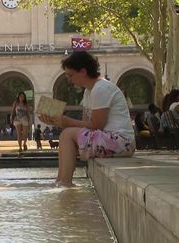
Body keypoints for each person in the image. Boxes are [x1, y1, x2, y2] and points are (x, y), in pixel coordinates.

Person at [39, 51, 135, 187]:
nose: (69, 80)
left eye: (71, 75)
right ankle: (60, 181)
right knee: (65, 134)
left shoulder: (101, 88)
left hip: (121, 142)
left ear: (83, 71)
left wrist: (67, 122)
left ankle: (64, 182)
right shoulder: (89, 91)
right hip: (109, 140)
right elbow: (85, 127)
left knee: (66, 135)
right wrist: (57, 121)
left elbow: (96, 125)